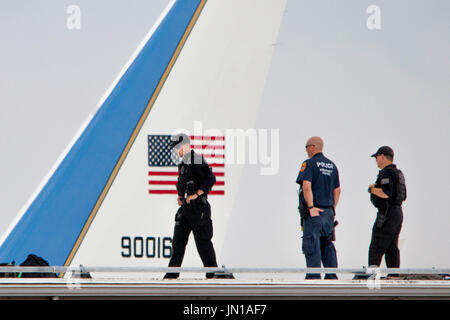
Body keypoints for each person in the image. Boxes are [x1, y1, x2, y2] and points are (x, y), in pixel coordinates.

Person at [163, 133, 219, 280]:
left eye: (177, 147)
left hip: (198, 208)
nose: (175, 151)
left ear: (186, 145)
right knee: (178, 242)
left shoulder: (196, 160)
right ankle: (172, 274)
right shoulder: (183, 164)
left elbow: (210, 179)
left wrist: (198, 194)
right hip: (186, 209)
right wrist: (181, 197)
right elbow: (183, 183)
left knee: (203, 242)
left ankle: (212, 273)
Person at [296, 136, 341, 280]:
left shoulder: (309, 164)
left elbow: (306, 186)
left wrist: (311, 207)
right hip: (328, 214)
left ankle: (313, 278)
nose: (306, 150)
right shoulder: (332, 166)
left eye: (306, 147)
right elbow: (337, 190)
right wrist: (331, 209)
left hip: (314, 213)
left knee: (312, 243)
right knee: (327, 243)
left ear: (312, 147)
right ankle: (331, 276)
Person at [367, 146, 406, 273]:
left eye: (377, 157)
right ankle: (394, 277)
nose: (376, 160)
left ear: (382, 156)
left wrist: (372, 189)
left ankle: (372, 279)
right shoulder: (398, 174)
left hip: (387, 214)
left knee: (376, 246)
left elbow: (385, 193)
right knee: (391, 247)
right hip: (397, 214)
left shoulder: (387, 173)